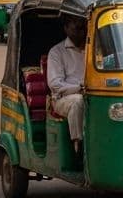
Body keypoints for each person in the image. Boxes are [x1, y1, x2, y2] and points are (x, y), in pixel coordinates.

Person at [47, 15, 88, 157]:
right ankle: (78, 146)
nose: (80, 32)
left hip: (92, 94)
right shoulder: (57, 52)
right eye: (75, 28)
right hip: (64, 98)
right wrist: (79, 88)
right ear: (66, 29)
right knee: (78, 102)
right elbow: (55, 85)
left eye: (82, 28)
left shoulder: (93, 49)